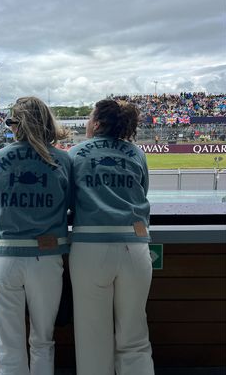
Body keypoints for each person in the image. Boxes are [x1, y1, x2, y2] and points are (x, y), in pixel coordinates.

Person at [0, 96, 71, 375]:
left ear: (15, 124)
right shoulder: (63, 159)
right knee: (43, 341)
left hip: (3, 256)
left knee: (8, 346)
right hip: (46, 258)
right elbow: (69, 204)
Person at [68, 98, 154, 375]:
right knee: (135, 336)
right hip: (136, 247)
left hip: (89, 249)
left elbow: (68, 200)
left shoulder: (76, 153)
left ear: (97, 122)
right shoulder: (137, 154)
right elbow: (143, 191)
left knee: (92, 338)